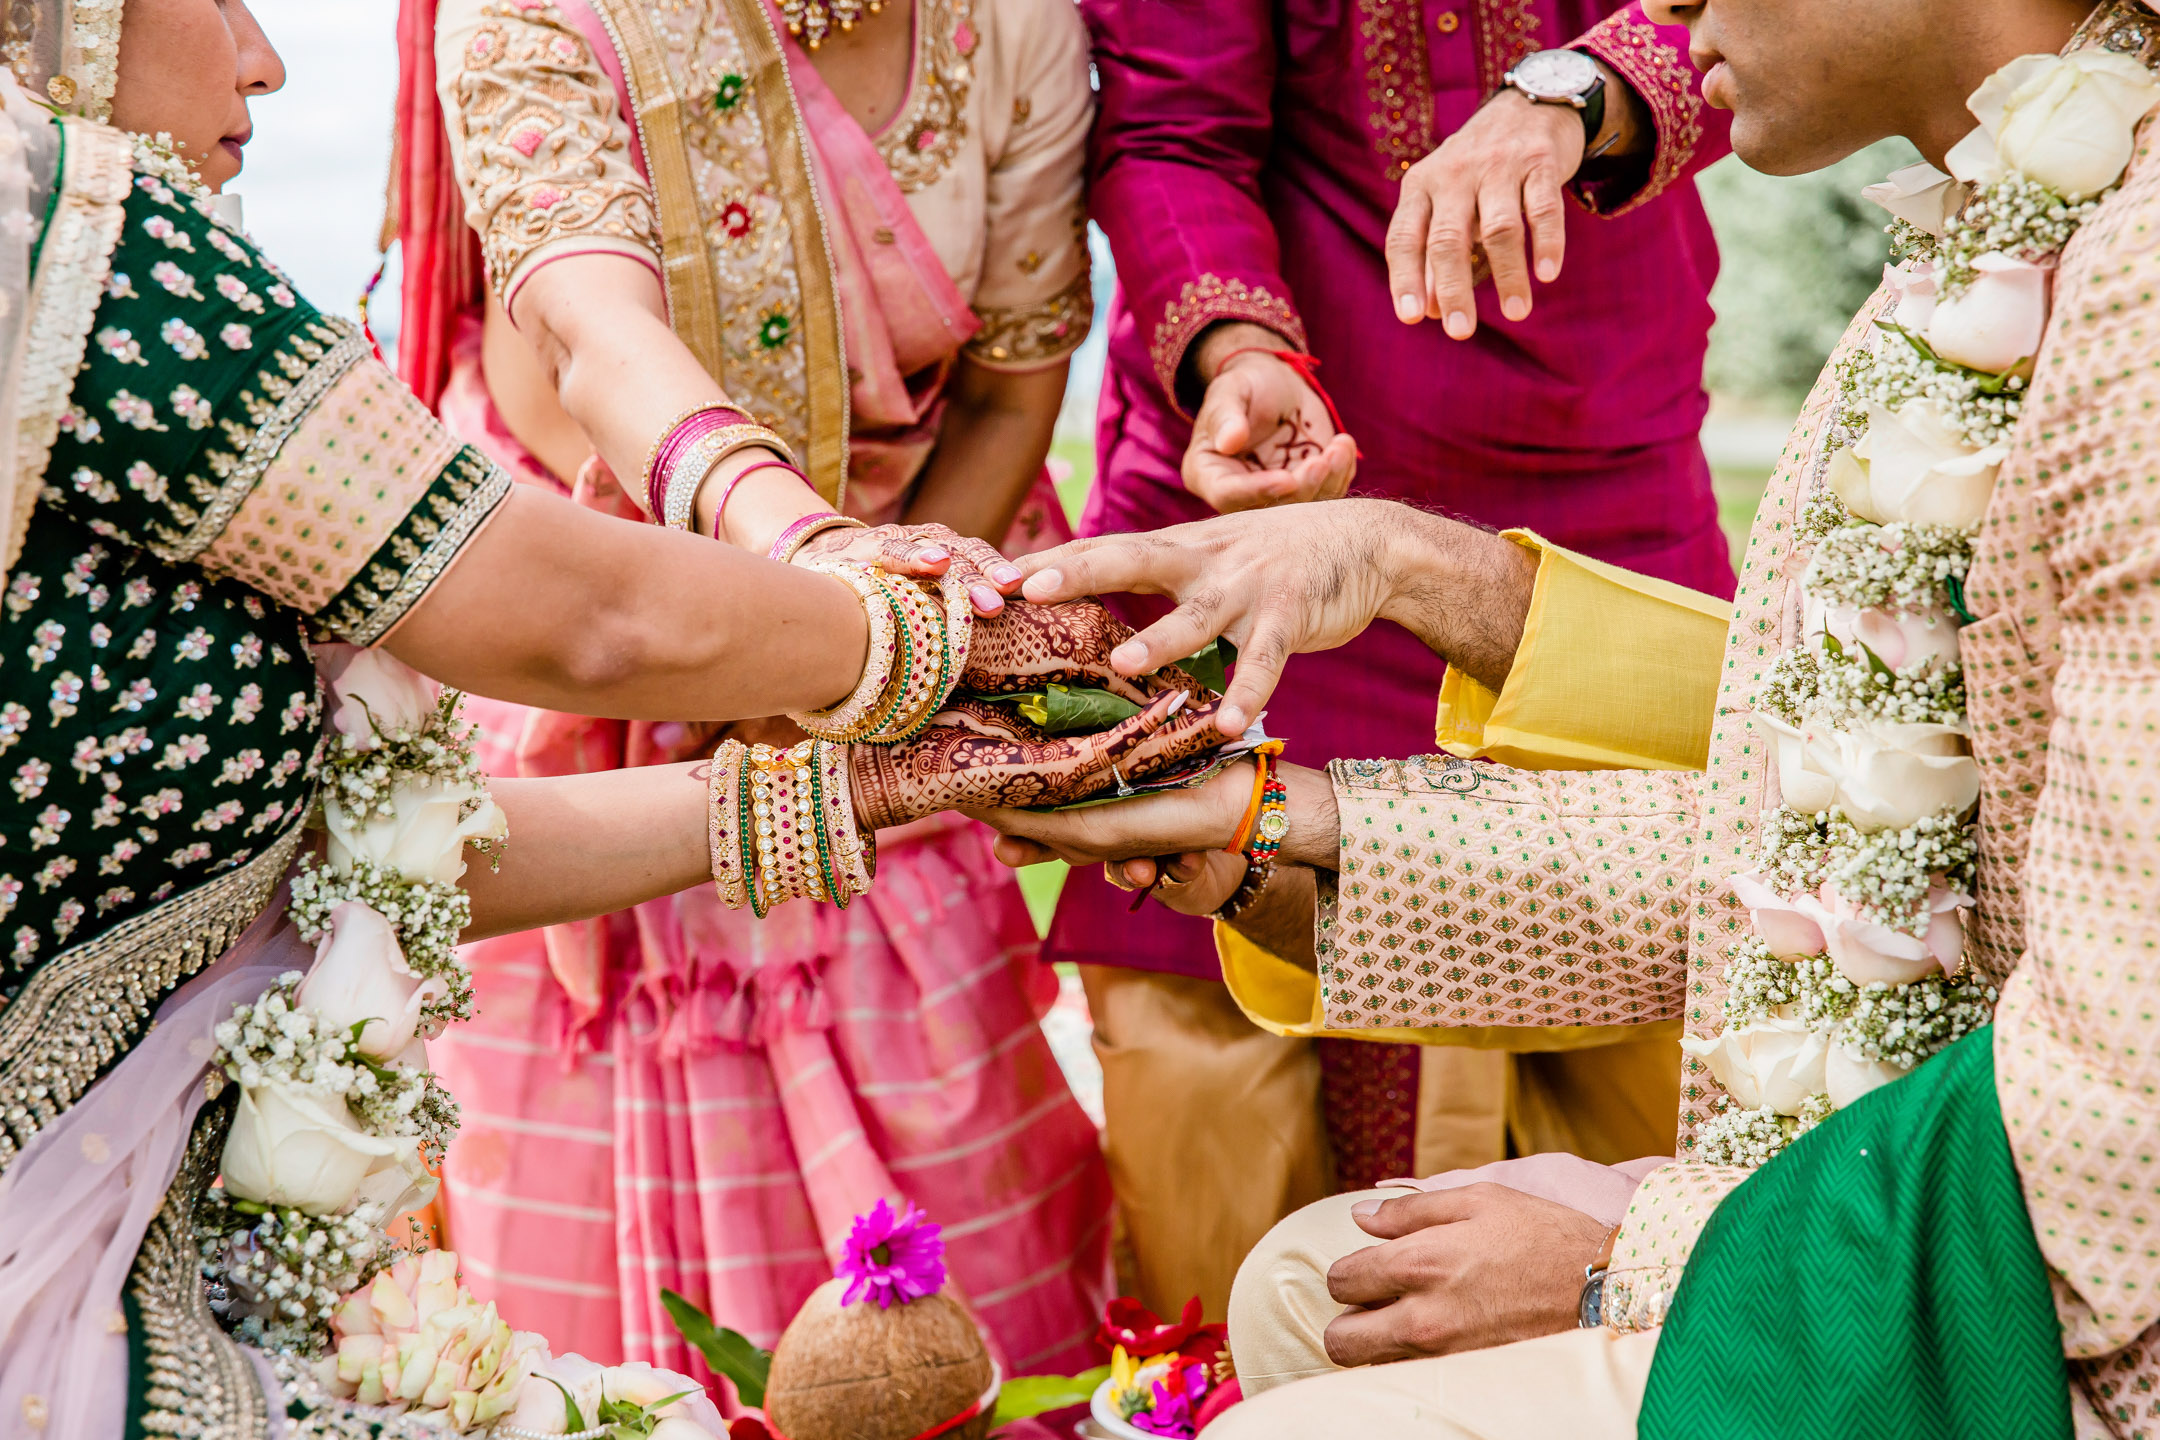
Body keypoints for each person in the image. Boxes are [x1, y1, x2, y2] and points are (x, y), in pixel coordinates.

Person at [0, 1, 1221, 1432]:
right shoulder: (90, 262)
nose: (268, 53)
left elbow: (340, 853)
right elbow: (588, 611)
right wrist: (898, 629)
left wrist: (868, 775)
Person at [980, 0, 2160, 1429]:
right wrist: (1276, 817)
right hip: (1335, 414)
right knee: (1304, 1282)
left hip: (2078, 1324)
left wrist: (1635, 1259)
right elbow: (1842, 845)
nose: (1664, 22)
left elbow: (2121, 1131)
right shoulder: (1989, 251)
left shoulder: (2128, 329)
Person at [391, 0, 1112, 1375]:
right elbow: (600, 341)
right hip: (595, 658)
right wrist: (808, 582)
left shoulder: (1011, 25)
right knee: (579, 1331)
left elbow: (1017, 392)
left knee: (974, 1246)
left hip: (903, 682)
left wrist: (847, 661)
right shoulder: (546, 14)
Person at [1054, 0, 1741, 1320]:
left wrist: (1571, 93)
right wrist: (1235, 352)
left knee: (1668, 991)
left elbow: (1758, 32)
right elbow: (1170, 125)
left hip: (1595, 465)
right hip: (1268, 474)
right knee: (1210, 1049)